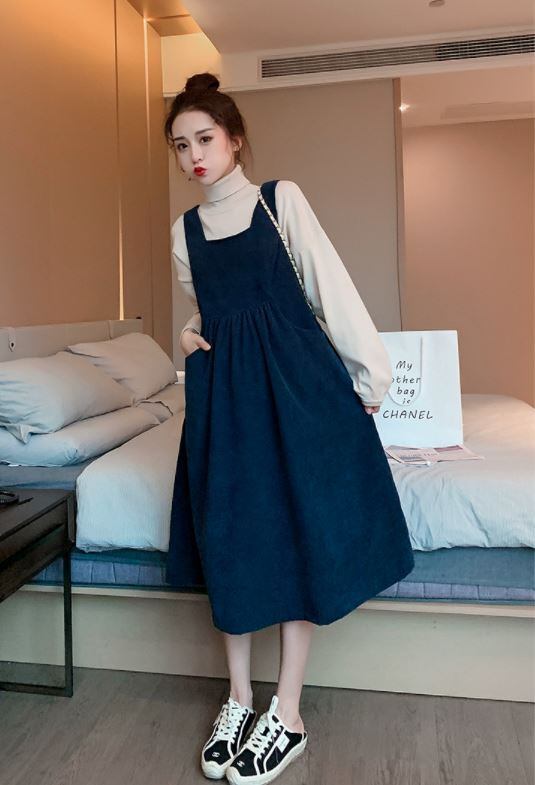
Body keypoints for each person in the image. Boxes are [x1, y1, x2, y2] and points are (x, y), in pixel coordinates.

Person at [163, 72, 415, 785]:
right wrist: (187, 335)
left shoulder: (280, 200)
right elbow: (211, 306)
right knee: (234, 536)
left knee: (295, 527)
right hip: (225, 398)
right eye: (180, 145)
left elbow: (328, 287)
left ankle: (289, 710)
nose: (194, 156)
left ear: (234, 138)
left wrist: (370, 375)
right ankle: (239, 700)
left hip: (295, 384)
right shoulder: (183, 232)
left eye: (205, 139)